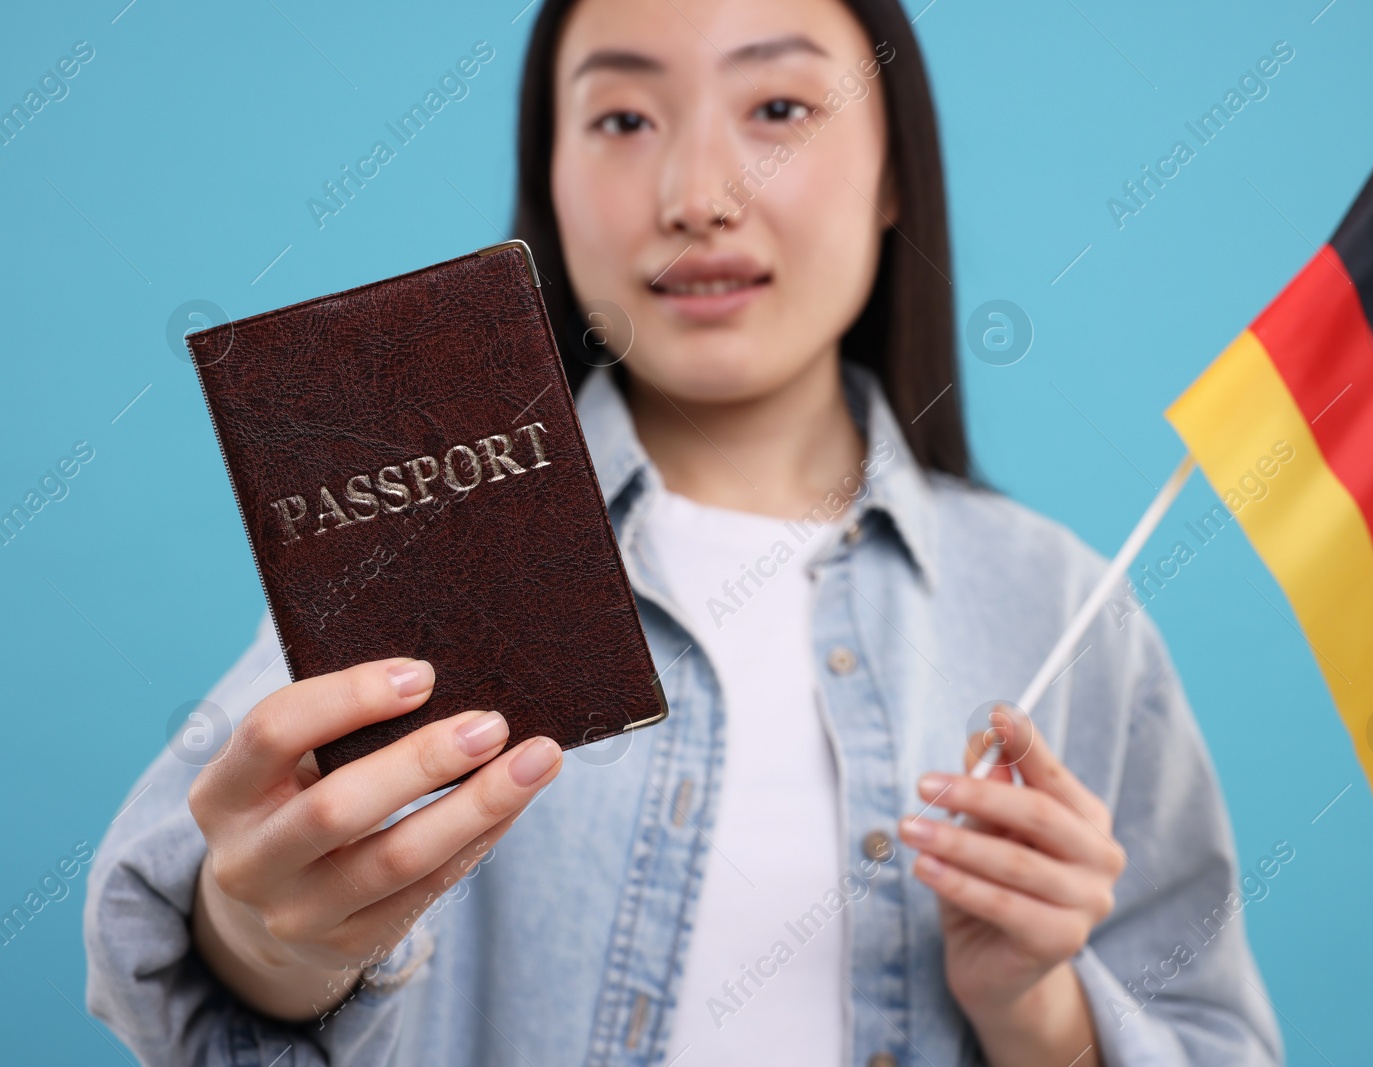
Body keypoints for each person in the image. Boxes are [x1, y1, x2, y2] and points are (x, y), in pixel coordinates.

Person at [85, 0, 1283, 1063]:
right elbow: (181, 929)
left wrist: (1038, 1014)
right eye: (621, 119)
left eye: (777, 104)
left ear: (892, 173)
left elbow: (1215, 1032)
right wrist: (269, 944)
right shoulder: (422, 533)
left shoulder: (1061, 604)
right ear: (546, 173)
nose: (699, 195)